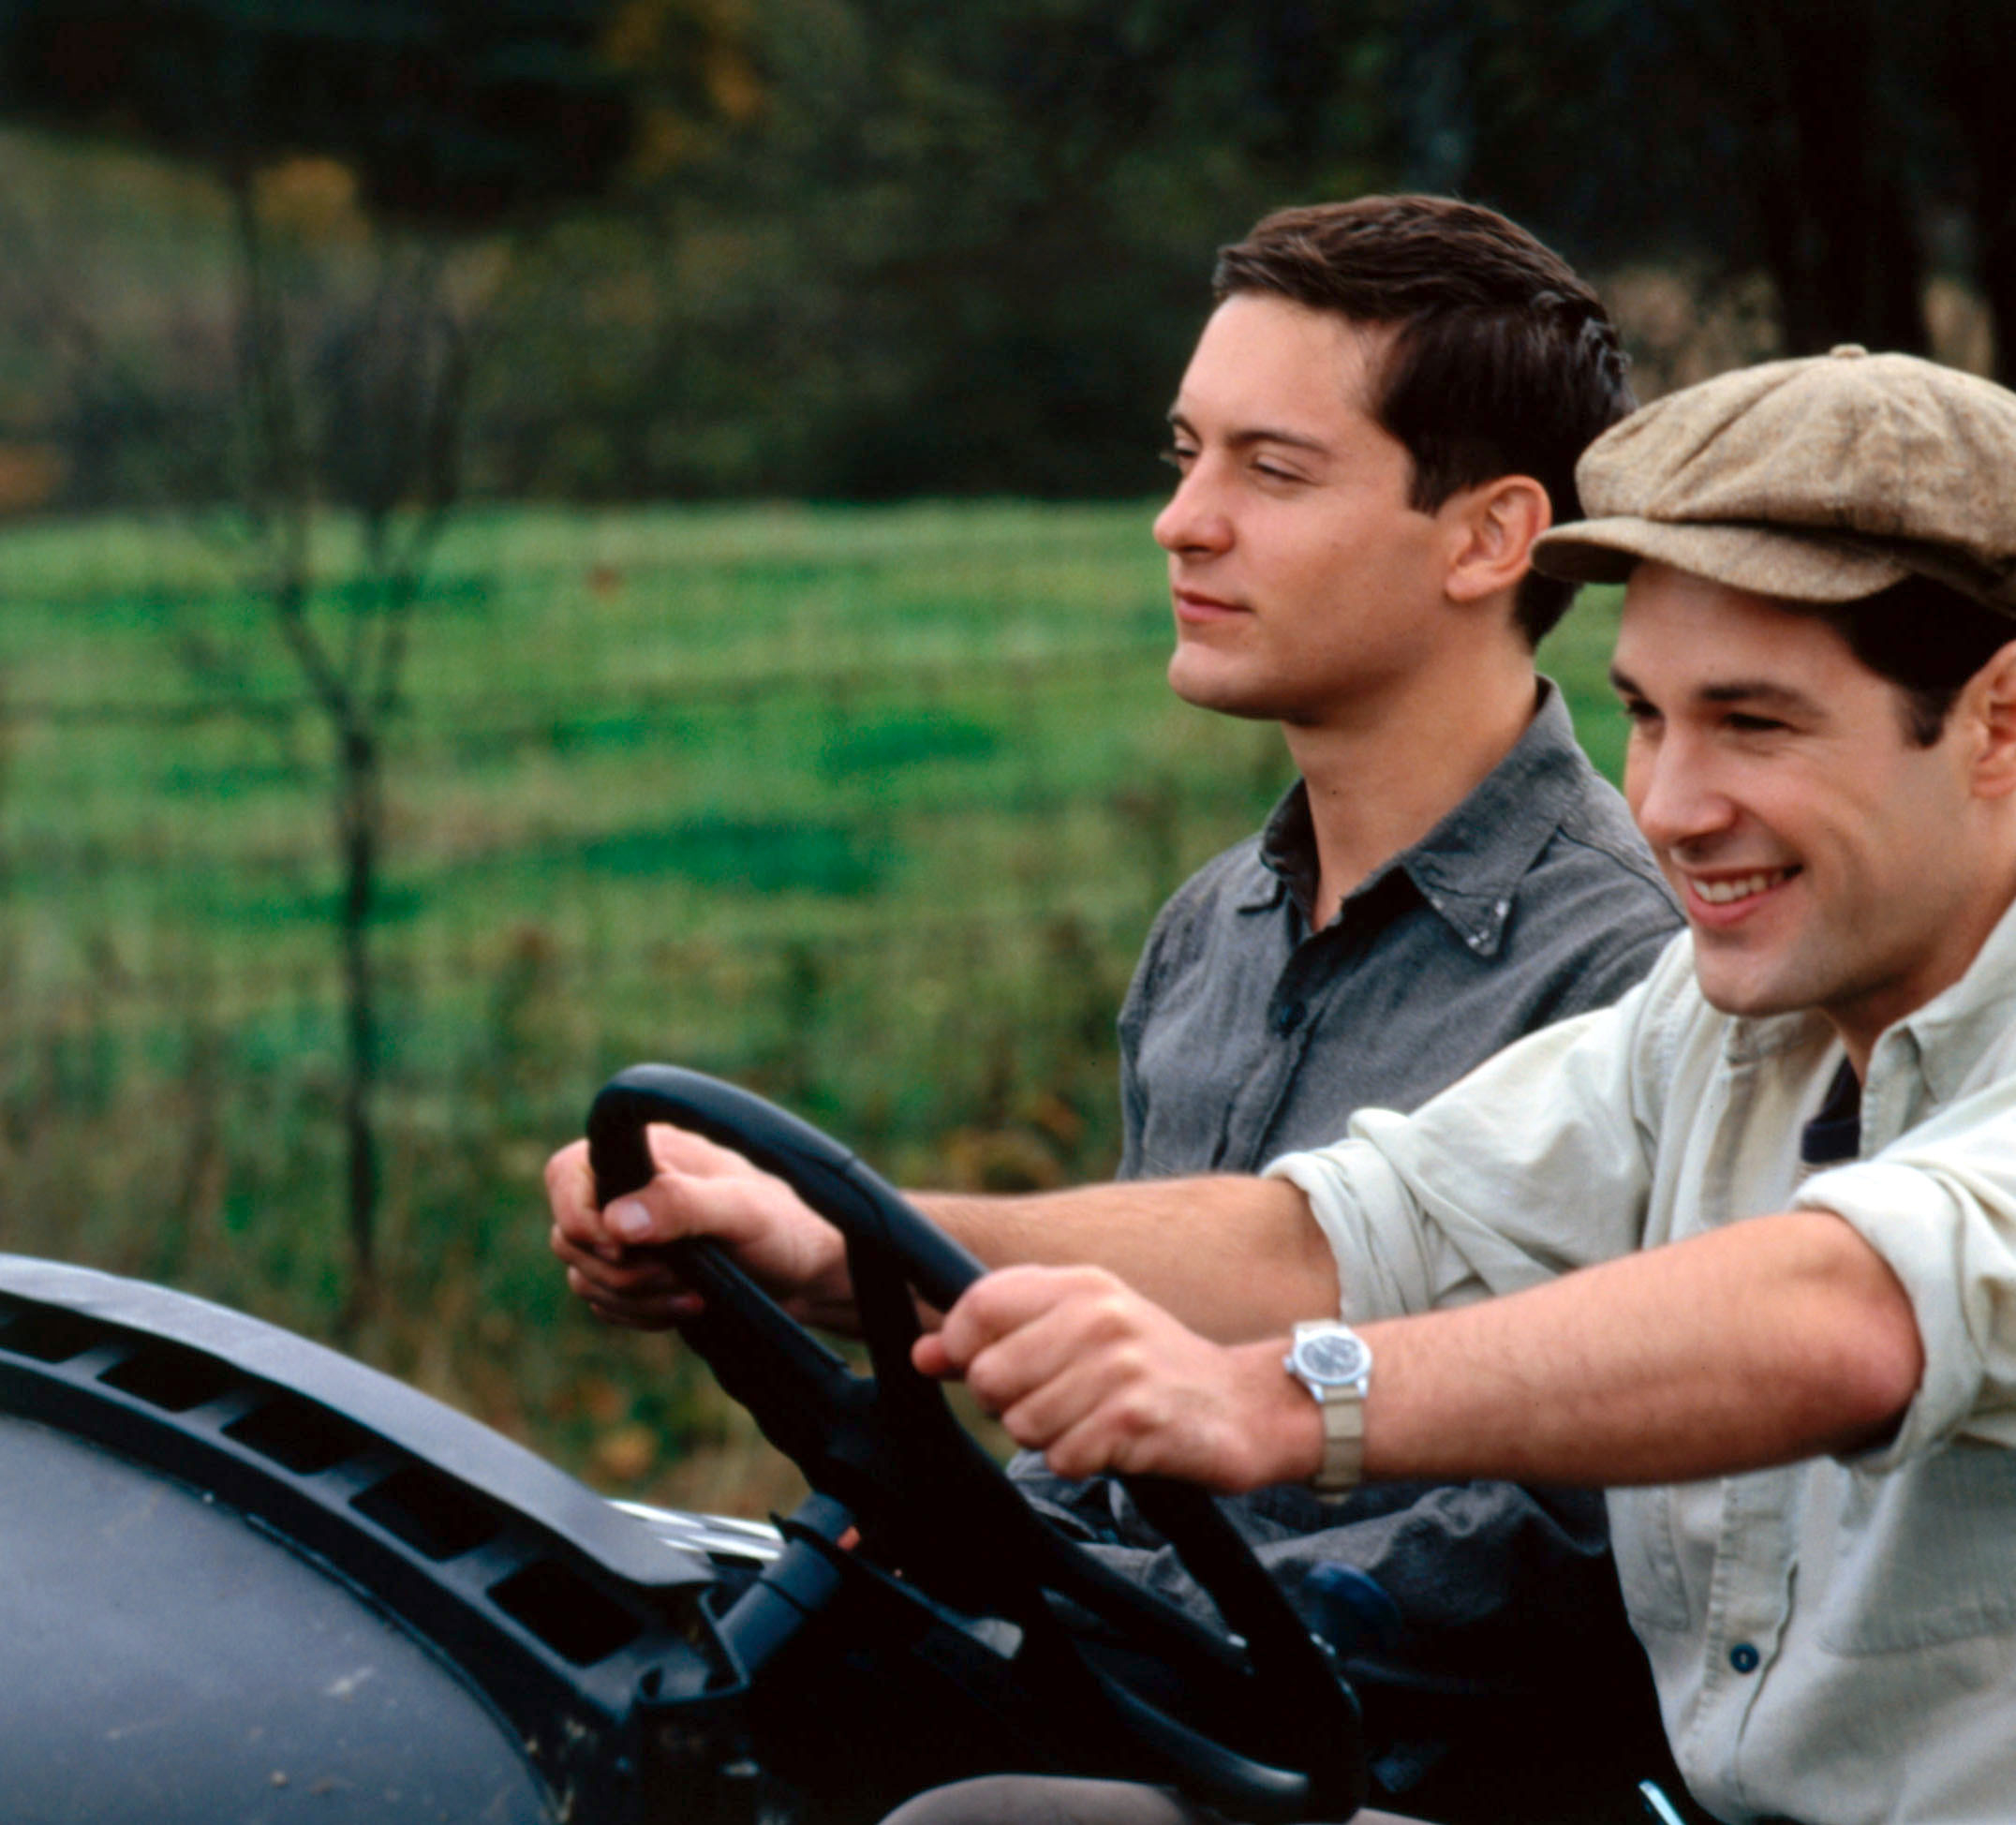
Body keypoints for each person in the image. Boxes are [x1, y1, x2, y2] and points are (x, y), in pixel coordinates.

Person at [556, 347, 2016, 1824]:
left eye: (1756, 724)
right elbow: (1333, 1225)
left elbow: (1856, 1308)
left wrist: (1280, 1401)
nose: (1667, 803)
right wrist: (842, 1248)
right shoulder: (1726, 1023)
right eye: (1649, 714)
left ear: (2001, 719)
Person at [580, 196, 1685, 1818]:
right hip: (1109, 1679)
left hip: (1372, 1766)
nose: (1183, 521)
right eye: (1185, 455)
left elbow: (1574, 1545)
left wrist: (1094, 1619)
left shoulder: (1632, 973)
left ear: (1488, 539)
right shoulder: (1210, 936)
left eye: (1271, 469)